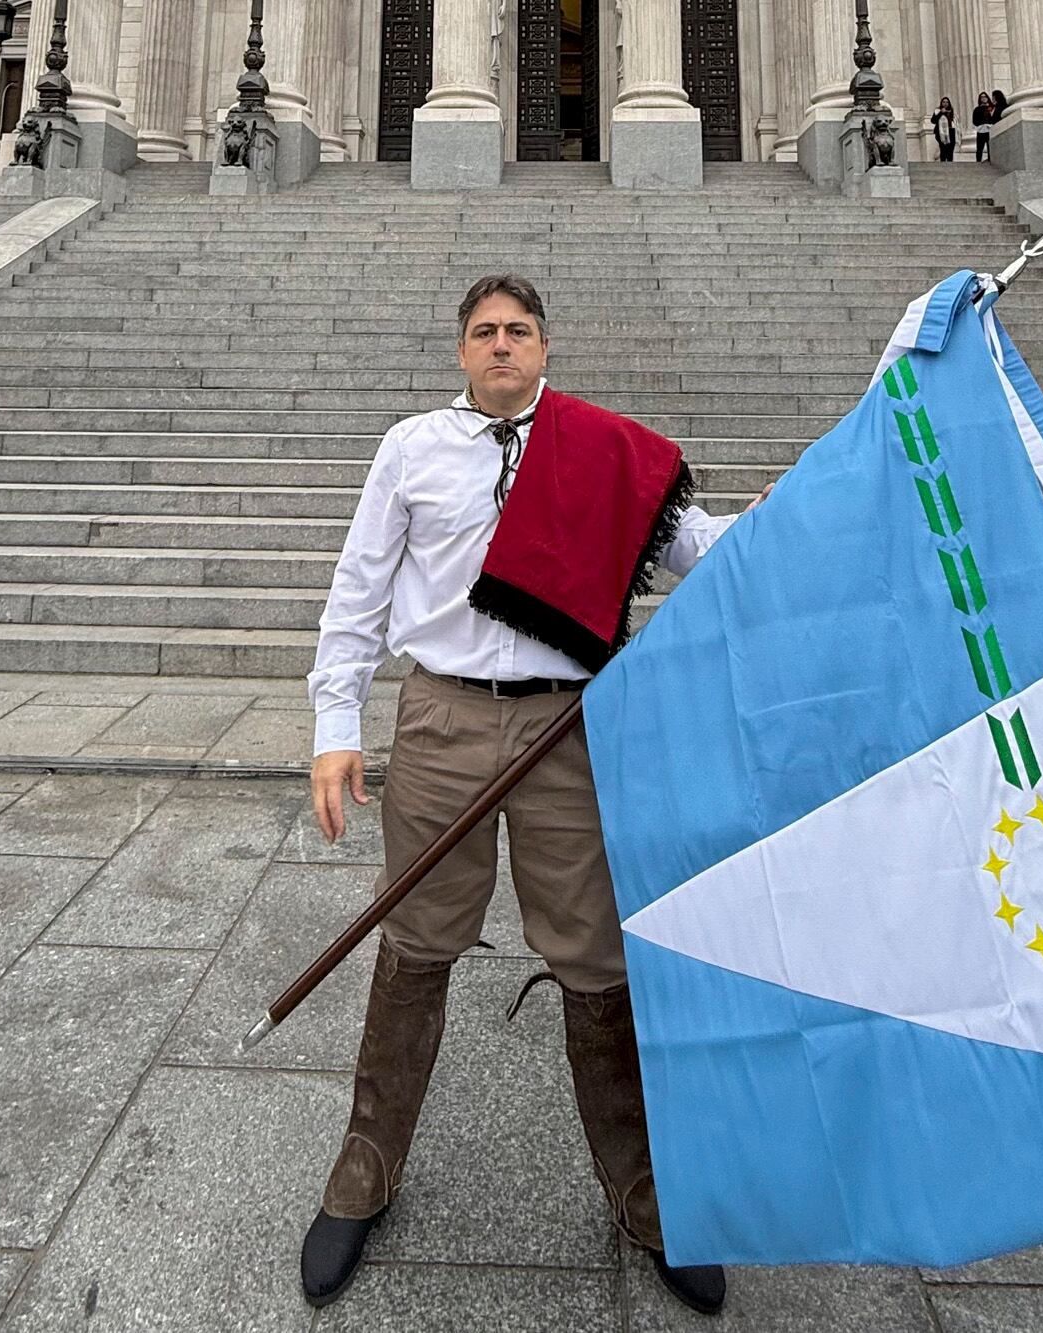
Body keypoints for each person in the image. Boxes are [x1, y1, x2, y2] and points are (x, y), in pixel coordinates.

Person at [301, 273, 769, 1316]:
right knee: (414, 940)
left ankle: (643, 1194)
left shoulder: (600, 450)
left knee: (596, 953)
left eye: (517, 330)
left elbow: (701, 548)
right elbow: (358, 589)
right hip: (443, 718)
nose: (501, 345)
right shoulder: (410, 447)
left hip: (569, 726)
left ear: (544, 347)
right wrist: (336, 725)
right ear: (460, 351)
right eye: (482, 332)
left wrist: (794, 512)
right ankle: (364, 1164)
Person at [972, 91, 998, 162]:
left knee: (990, 147)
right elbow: (974, 121)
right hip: (981, 130)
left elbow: (995, 118)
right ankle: (978, 162)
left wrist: (990, 124)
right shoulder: (977, 109)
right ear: (980, 99)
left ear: (987, 98)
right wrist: (981, 124)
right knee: (979, 148)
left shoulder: (992, 108)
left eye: (985, 97)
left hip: (990, 130)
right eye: (982, 97)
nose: (983, 98)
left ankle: (991, 161)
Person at [931, 96, 958, 162]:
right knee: (943, 148)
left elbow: (955, 121)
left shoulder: (951, 111)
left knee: (951, 147)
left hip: (951, 130)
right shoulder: (937, 111)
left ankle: (950, 162)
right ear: (941, 103)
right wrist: (941, 112)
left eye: (947, 102)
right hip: (941, 132)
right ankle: (943, 163)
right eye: (944, 102)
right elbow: (933, 120)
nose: (945, 103)